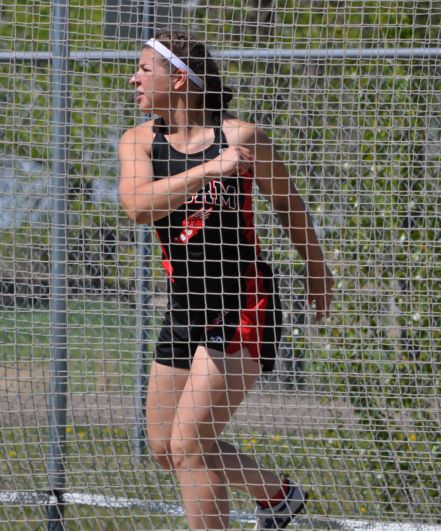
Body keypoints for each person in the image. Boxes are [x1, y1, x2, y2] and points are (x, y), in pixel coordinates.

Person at [118, 30, 334, 530]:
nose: (133, 78)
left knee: (190, 444)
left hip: (241, 300)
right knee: (164, 448)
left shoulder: (241, 137)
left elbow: (288, 204)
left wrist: (317, 270)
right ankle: (278, 498)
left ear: (178, 79)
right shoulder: (138, 141)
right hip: (185, 304)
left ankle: (274, 502)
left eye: (144, 69)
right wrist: (210, 170)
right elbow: (135, 206)